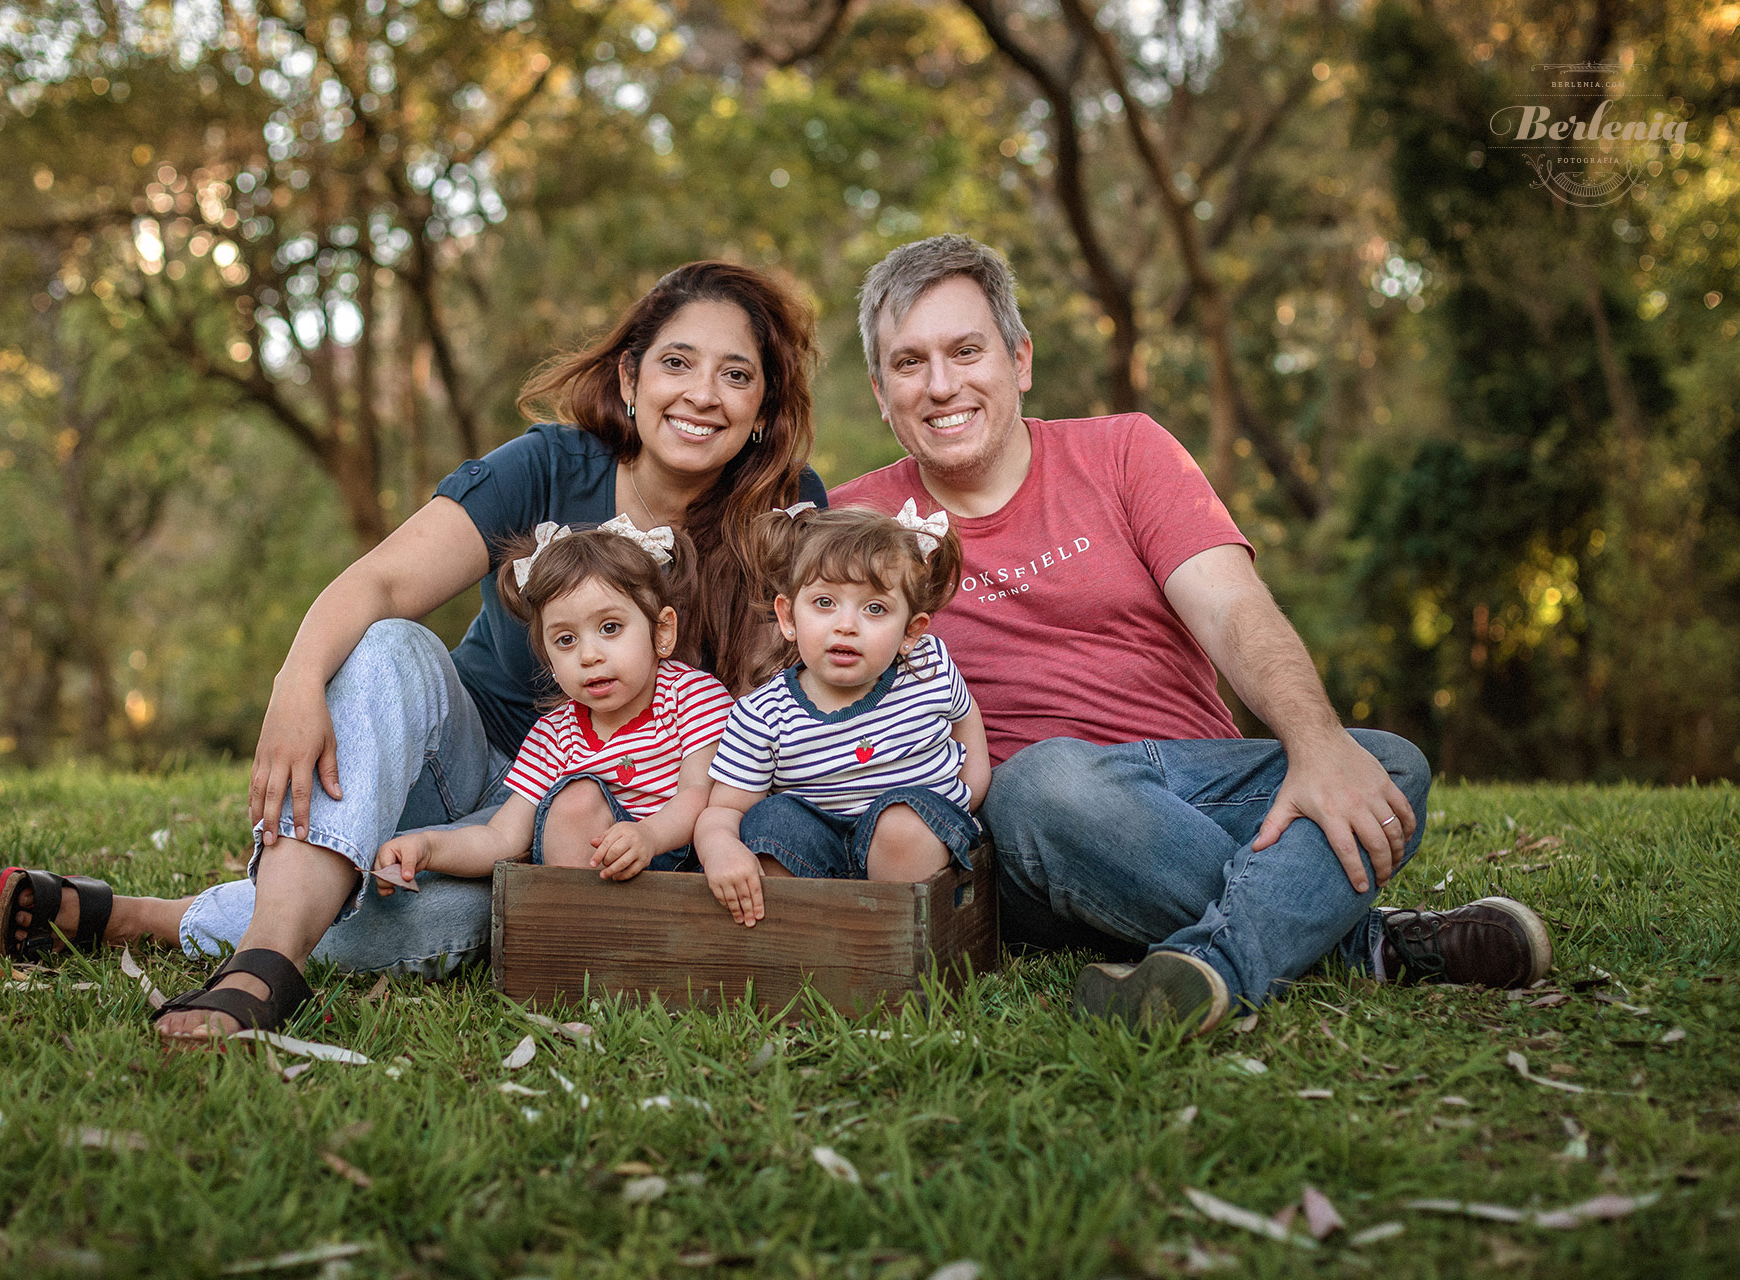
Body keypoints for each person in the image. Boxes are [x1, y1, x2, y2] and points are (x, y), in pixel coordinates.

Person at [0, 261, 826, 1043]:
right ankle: (266, 964)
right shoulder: (547, 466)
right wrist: (296, 683)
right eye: (678, 363)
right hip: (466, 773)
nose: (703, 395)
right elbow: (381, 584)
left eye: (737, 374)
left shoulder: (786, 515)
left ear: (763, 409)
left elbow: (800, 695)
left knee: (447, 929)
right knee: (388, 645)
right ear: (629, 379)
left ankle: (145, 917)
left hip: (615, 835)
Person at [831, 234, 1550, 1034]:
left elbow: (1234, 609)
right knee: (1042, 781)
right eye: (908, 362)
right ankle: (1356, 944)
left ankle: (1211, 967)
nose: (941, 385)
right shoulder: (854, 526)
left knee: (1385, 762)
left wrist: (1314, 745)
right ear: (878, 389)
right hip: (1039, 837)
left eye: (967, 350)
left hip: (1197, 792)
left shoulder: (1125, 450)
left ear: (1020, 360)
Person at [372, 519, 731, 889]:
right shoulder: (554, 734)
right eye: (565, 640)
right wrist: (429, 847)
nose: (589, 655)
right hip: (583, 876)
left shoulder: (690, 696)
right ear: (548, 659)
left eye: (610, 627)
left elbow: (698, 795)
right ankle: (576, 930)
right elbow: (502, 839)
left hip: (677, 867)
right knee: (577, 800)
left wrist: (649, 836)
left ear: (662, 630)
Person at [695, 503, 990, 926]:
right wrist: (720, 847)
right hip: (816, 857)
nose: (846, 625)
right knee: (768, 819)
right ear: (787, 616)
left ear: (911, 631)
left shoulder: (928, 669)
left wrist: (969, 792)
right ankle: (810, 942)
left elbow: (965, 718)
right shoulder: (763, 713)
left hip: (914, 846)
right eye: (824, 602)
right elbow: (724, 810)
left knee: (902, 822)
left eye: (874, 609)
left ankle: (896, 944)